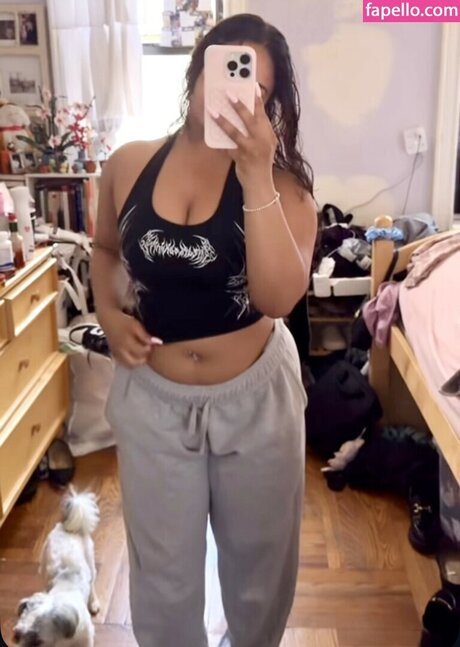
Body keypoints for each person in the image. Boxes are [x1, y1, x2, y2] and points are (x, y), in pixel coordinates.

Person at [91, 13, 317, 647]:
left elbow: (276, 299)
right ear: (197, 71)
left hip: (256, 403)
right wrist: (109, 315)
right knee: (163, 585)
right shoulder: (129, 164)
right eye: (227, 72)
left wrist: (255, 174)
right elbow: (105, 250)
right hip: (153, 401)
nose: (235, 96)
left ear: (270, 106)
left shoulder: (285, 190)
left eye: (256, 90)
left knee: (258, 579)